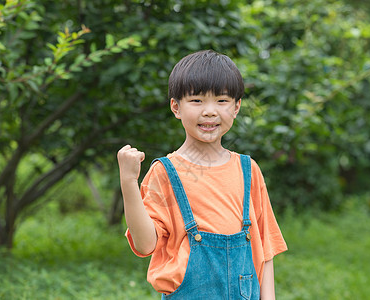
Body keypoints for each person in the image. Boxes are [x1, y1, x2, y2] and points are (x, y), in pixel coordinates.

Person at [117, 50, 287, 299]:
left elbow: (265, 250)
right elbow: (145, 245)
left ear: (237, 107)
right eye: (196, 101)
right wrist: (128, 181)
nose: (210, 111)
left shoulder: (248, 170)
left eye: (222, 100)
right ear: (176, 107)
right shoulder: (165, 173)